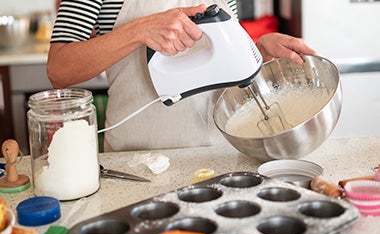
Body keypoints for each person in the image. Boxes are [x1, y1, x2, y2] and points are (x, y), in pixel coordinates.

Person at [47, 0, 316, 152]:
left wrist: (257, 50)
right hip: (137, 162)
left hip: (220, 154)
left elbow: (220, 60)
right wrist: (138, 31)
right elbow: (59, 69)